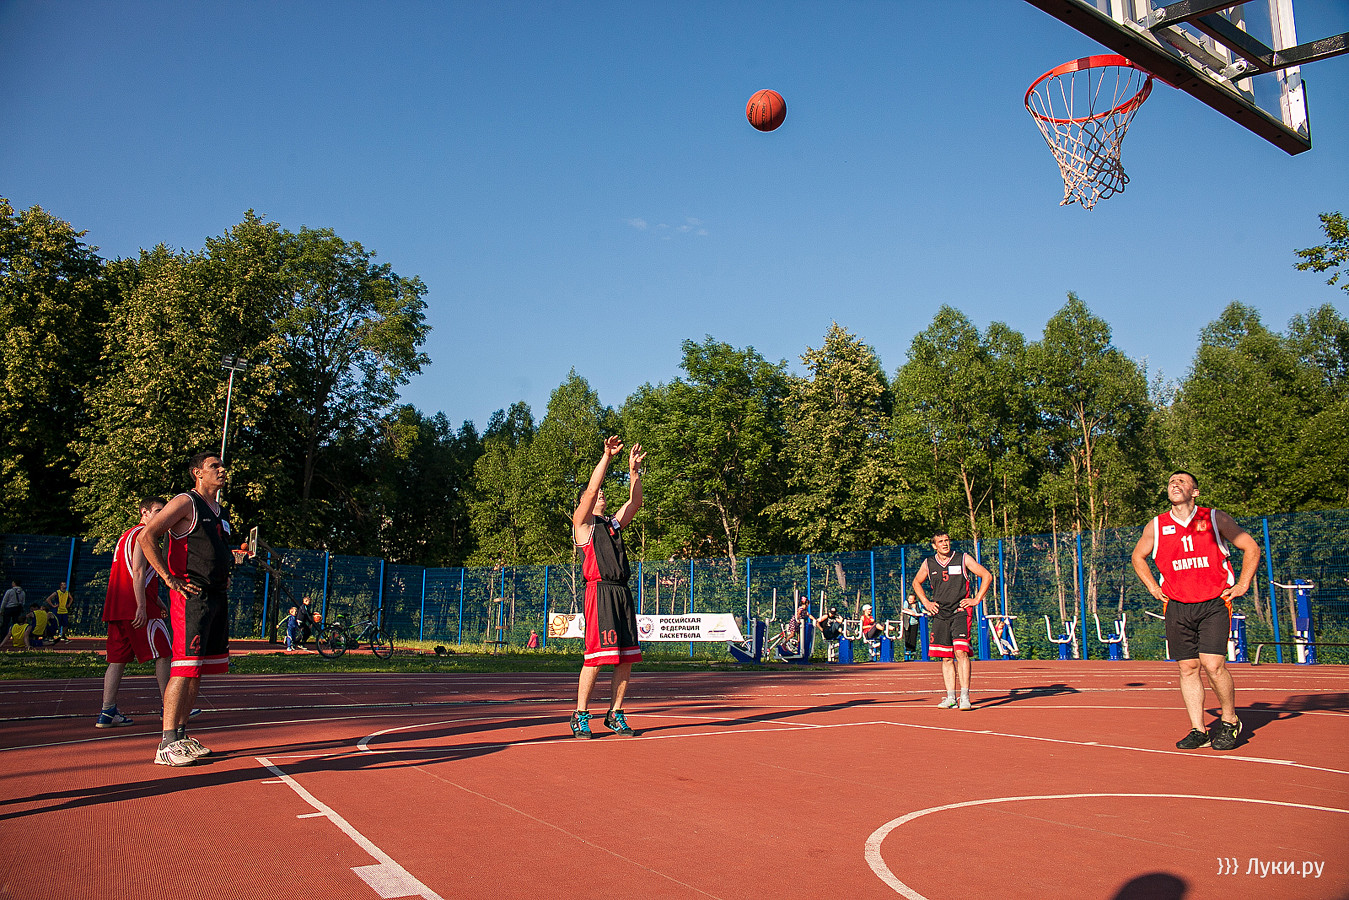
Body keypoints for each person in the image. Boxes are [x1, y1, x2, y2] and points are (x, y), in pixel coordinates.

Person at [1131, 470, 1261, 752]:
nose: (1175, 484)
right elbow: (1138, 557)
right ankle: (1198, 729)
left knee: (1213, 665)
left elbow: (1251, 547)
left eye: (1182, 481)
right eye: (1171, 482)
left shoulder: (1214, 518)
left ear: (1195, 492)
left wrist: (1242, 584)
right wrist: (1153, 587)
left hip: (1213, 602)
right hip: (1177, 604)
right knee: (1188, 667)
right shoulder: (1157, 525)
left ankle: (1229, 721)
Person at [139, 452, 233, 766]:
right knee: (182, 666)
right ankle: (166, 743)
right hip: (190, 595)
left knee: (196, 669)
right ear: (197, 473)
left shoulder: (219, 510)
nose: (221, 469)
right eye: (214, 466)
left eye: (222, 465)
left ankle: (180, 734)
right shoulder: (186, 502)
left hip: (214, 596)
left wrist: (225, 571)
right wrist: (168, 577)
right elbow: (147, 536)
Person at [569, 436, 646, 739]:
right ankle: (580, 714)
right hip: (599, 592)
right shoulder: (583, 524)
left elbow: (635, 503)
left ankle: (615, 713)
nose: (600, 494)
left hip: (621, 591)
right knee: (596, 657)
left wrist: (634, 471)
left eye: (603, 492)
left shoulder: (611, 525)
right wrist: (607, 456)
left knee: (626, 657)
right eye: (596, 493)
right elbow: (590, 490)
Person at [98, 497, 172, 728]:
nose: (162, 516)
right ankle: (169, 707)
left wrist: (158, 601)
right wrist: (142, 605)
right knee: (164, 653)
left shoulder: (125, 536)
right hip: (137, 606)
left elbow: (133, 572)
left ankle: (107, 711)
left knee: (117, 660)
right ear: (144, 512)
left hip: (117, 606)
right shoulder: (144, 534)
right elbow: (138, 572)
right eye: (158, 511)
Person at [912, 531, 992, 710]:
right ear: (934, 546)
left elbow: (986, 575)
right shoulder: (928, 563)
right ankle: (950, 697)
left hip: (960, 611)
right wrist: (926, 602)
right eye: (940, 541)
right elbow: (916, 582)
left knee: (961, 652)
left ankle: (965, 696)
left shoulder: (963, 558)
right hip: (940, 613)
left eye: (946, 540)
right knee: (946, 657)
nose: (944, 544)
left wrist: (976, 599)